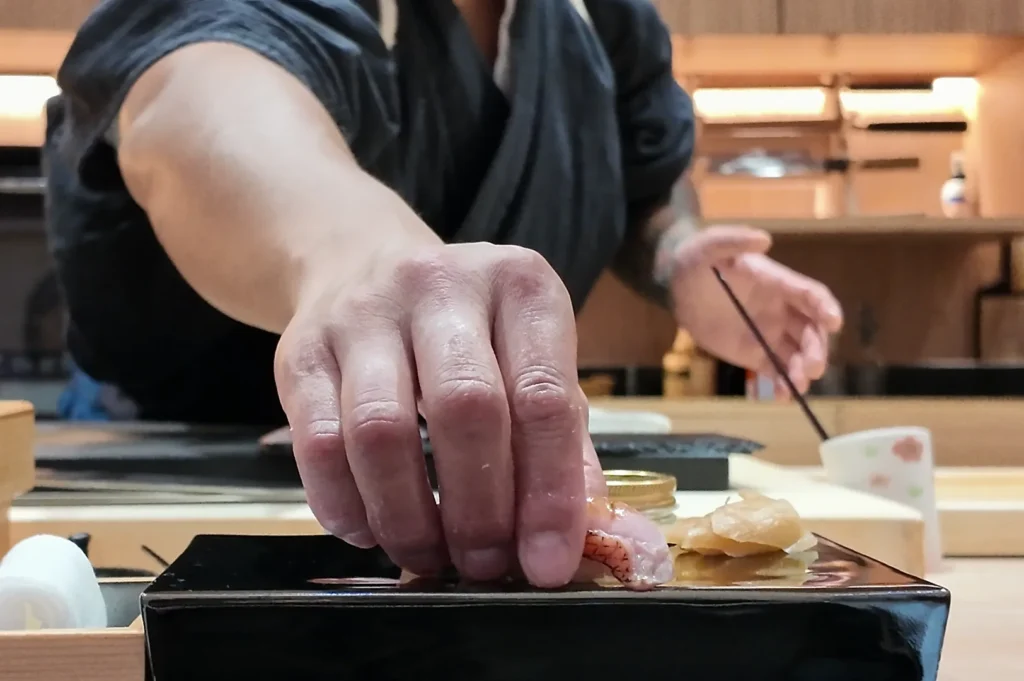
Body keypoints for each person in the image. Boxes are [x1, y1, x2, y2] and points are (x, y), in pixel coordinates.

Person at [45, 0, 842, 587]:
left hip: (493, 495)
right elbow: (195, 95)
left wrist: (678, 259)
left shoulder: (604, 20)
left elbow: (650, 184)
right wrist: (359, 256)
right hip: (204, 487)